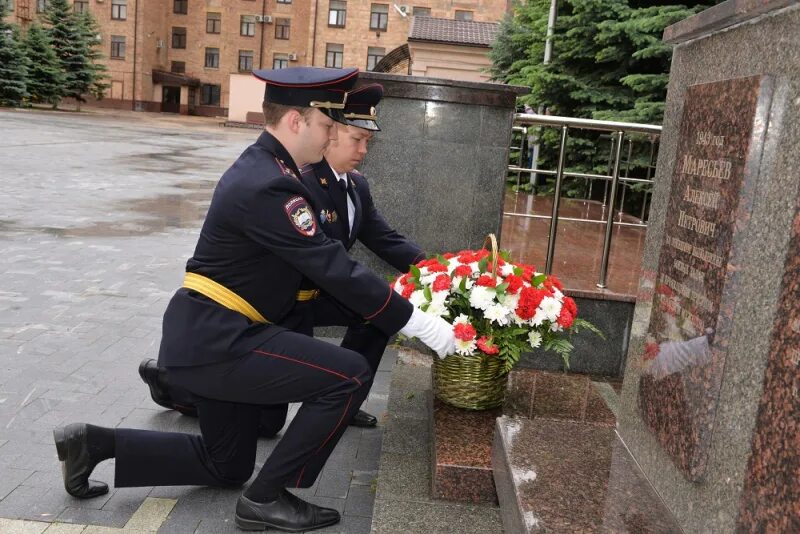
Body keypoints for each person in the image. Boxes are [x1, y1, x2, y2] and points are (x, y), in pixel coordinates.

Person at [52, 67, 454, 533]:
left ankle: (93, 443)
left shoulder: (274, 171)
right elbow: (331, 265)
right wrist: (423, 326)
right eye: (327, 127)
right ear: (296, 123)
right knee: (346, 377)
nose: (330, 140)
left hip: (212, 335)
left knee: (226, 465)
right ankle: (265, 501)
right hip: (220, 340)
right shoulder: (270, 182)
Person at [138, 83, 425, 433]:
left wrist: (438, 271)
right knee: (267, 423)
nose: (364, 149)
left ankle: (346, 405)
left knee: (376, 315)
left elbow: (385, 238)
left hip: (311, 296)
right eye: (355, 138)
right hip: (278, 305)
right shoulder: (295, 181)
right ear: (330, 133)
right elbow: (330, 265)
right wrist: (416, 320)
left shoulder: (355, 185)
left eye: (368, 141)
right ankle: (178, 387)